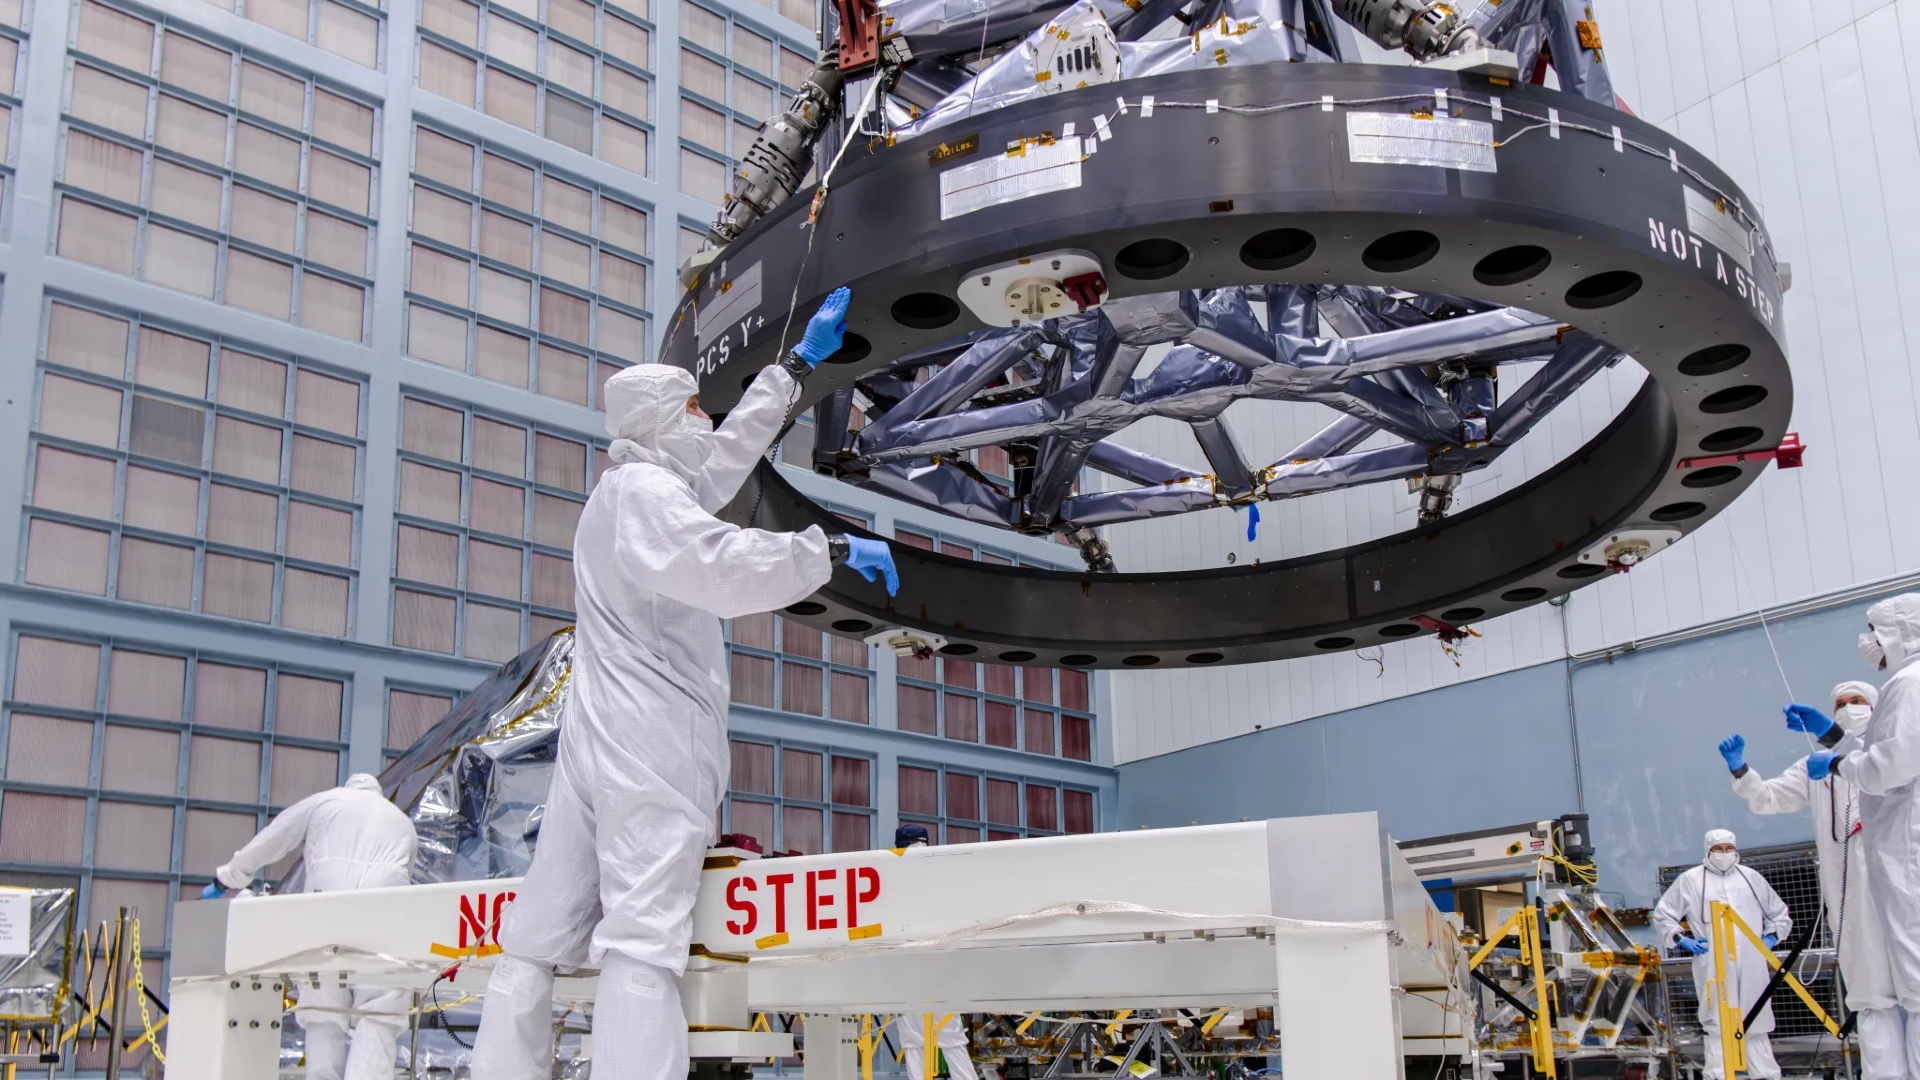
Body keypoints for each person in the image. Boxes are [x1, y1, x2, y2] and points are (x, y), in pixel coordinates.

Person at [469, 288, 901, 1080]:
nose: (706, 419)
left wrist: (797, 366)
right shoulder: (645, 499)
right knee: (642, 943)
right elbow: (720, 566)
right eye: (695, 408)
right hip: (649, 746)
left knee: (536, 940)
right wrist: (826, 552)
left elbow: (725, 459)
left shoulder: (631, 492)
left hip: (599, 743)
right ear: (665, 421)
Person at [1721, 681, 1904, 1079]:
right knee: (1871, 1001)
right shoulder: (1815, 767)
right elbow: (1768, 798)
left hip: (1903, 891)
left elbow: (1882, 770)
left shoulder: (1896, 752)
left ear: (1877, 708)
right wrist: (1742, 770)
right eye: (1840, 703)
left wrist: (1841, 747)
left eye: (1857, 702)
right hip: (1852, 902)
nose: (1848, 708)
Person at [201, 773, 418, 1080]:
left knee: (324, 1010)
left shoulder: (325, 802)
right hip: (381, 916)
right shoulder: (402, 823)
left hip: (324, 912)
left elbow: (275, 837)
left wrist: (230, 876)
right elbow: (407, 886)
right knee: (378, 1012)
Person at [1798, 594, 1920, 1074]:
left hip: (1906, 852)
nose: (1866, 641)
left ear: (1899, 632)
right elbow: (1882, 746)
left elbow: (1890, 762)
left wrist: (1841, 763)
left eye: (1873, 628)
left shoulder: (1907, 685)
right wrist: (1834, 740)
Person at [1652, 829, 1792, 1080]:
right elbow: (1664, 914)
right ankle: (1718, 1075)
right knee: (1716, 1021)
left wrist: (1771, 938)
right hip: (1713, 960)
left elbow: (1779, 913)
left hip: (1752, 960)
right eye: (1718, 849)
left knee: (1756, 1018)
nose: (1724, 853)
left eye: (1729, 848)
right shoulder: (1691, 880)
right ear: (1708, 850)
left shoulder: (1751, 878)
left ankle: (1766, 1075)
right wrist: (1683, 940)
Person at [890, 824, 979, 1080]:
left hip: (907, 968)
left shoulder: (894, 874)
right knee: (950, 1037)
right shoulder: (944, 872)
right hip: (940, 968)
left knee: (913, 1039)